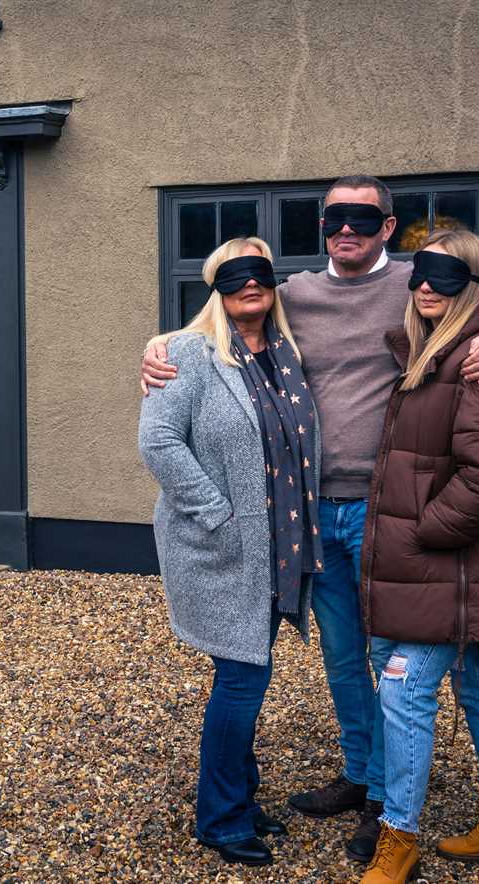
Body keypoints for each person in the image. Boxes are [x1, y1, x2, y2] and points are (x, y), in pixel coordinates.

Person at [141, 175, 479, 862]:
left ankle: (387, 799)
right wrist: (158, 348)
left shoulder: (422, 281)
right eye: (334, 219)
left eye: (363, 218)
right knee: (342, 658)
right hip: (312, 514)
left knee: (389, 656)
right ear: (321, 226)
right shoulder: (290, 295)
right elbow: (217, 322)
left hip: (389, 512)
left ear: (388, 226)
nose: (346, 230)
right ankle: (361, 775)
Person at [358, 229, 479, 884]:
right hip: (448, 568)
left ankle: (399, 839)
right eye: (422, 273)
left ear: (474, 287)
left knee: (405, 693)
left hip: (449, 566)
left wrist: (425, 531)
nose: (429, 285)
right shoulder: (426, 355)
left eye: (447, 275)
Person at [139, 236, 321, 867]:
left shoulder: (287, 355)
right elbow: (159, 441)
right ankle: (220, 817)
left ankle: (239, 796)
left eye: (261, 274)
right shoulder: (188, 352)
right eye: (236, 276)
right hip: (220, 548)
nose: (252, 285)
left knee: (245, 669)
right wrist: (217, 512)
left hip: (280, 547)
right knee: (244, 677)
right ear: (216, 286)